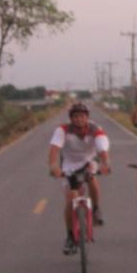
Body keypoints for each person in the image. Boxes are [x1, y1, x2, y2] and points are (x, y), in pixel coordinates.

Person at [48, 102, 111, 254]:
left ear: (87, 117)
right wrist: (54, 167)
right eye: (75, 116)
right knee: (71, 199)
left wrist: (105, 164)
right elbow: (54, 150)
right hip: (69, 165)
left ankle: (96, 209)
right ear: (71, 118)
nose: (79, 119)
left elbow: (102, 149)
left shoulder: (95, 129)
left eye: (82, 116)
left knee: (92, 178)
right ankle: (70, 236)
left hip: (89, 161)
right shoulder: (62, 130)